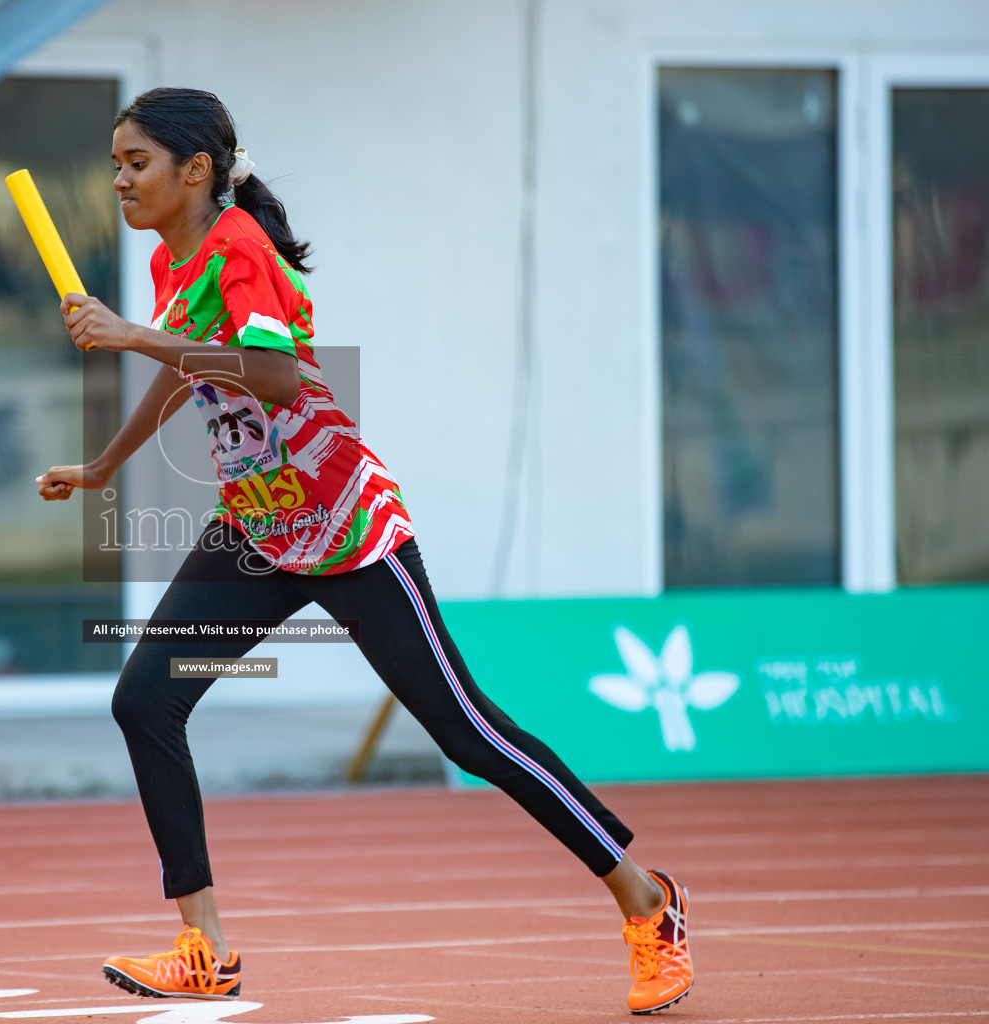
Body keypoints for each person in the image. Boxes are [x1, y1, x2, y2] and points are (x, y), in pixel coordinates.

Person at [35, 87, 693, 1016]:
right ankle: (204, 945)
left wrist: (134, 335)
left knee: (468, 731)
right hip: (259, 530)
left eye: (134, 163)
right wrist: (105, 466)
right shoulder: (171, 257)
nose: (119, 181)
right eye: (115, 164)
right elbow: (192, 364)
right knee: (144, 699)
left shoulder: (237, 247)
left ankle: (647, 901)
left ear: (195, 170)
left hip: (348, 525)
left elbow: (275, 371)